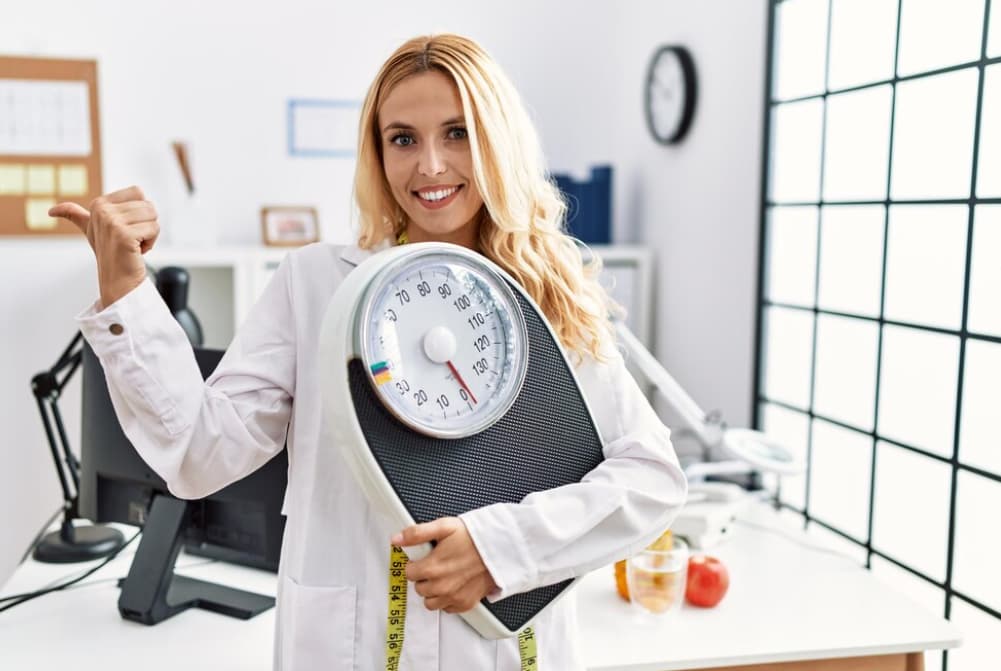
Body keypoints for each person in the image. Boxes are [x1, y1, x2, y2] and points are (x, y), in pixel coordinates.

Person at [53, 33, 687, 671]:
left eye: (458, 133)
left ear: (498, 141)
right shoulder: (316, 284)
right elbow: (199, 455)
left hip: (503, 650)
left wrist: (502, 548)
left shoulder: (546, 295)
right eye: (402, 138)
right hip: (350, 648)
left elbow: (651, 479)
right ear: (377, 153)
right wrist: (126, 289)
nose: (430, 166)